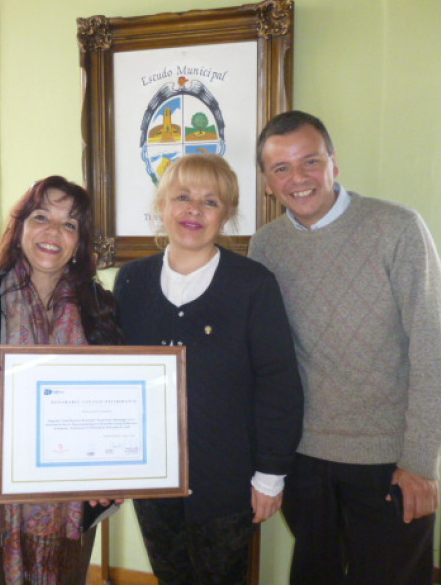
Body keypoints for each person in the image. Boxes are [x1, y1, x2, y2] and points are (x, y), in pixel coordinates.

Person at [248, 110, 441, 585]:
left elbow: (433, 349)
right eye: (281, 168)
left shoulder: (397, 228)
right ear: (266, 182)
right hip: (305, 458)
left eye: (311, 162)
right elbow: (266, 359)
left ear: (334, 164)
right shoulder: (266, 246)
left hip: (390, 461)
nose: (298, 179)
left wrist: (421, 462)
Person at [113, 153, 304, 585]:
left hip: (228, 482)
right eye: (182, 197)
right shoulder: (131, 281)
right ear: (162, 206)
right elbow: (117, 378)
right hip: (153, 480)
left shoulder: (253, 284)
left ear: (227, 214)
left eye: (210, 201)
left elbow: (278, 384)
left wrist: (271, 475)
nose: (193, 210)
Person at [0, 175, 123, 585]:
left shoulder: (101, 308)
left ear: (79, 242)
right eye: (41, 217)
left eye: (69, 224)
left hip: (76, 494)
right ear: (19, 227)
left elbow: (119, 403)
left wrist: (116, 469)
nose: (53, 232)